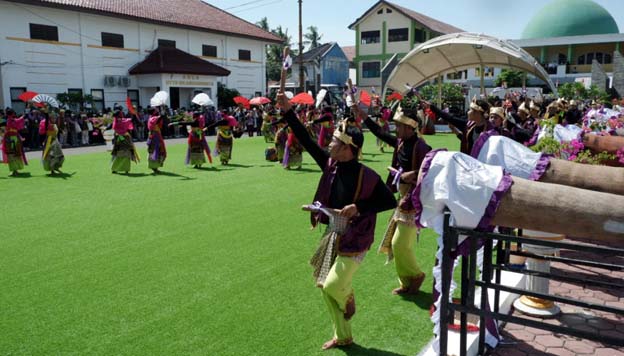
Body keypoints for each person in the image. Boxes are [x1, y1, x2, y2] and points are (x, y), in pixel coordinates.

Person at [277, 92, 396, 350]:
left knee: (333, 285)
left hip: (357, 238)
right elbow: (307, 141)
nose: (328, 143)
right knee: (325, 287)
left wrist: (359, 207)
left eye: (334, 141)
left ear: (347, 148)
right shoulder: (330, 164)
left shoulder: (369, 175)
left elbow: (390, 201)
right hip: (334, 232)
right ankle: (343, 336)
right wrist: (288, 112)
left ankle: (348, 295)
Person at [364, 100, 431, 295]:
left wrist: (413, 175)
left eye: (400, 125)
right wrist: (363, 117)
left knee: (399, 243)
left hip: (413, 200)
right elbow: (380, 133)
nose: (396, 128)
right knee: (397, 243)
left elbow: (429, 171)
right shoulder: (401, 142)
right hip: (402, 197)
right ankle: (406, 281)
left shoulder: (421, 147)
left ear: (410, 128)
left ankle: (415, 275)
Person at [2, 109, 28, 176]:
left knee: (12, 155)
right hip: (14, 139)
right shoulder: (12, 120)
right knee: (15, 154)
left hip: (10, 139)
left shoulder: (9, 120)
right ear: (12, 114)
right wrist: (24, 116)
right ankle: (15, 170)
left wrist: (23, 116)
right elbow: (18, 121)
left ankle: (14, 170)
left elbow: (17, 121)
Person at [146, 108, 166, 174]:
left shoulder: (151, 118)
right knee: (155, 150)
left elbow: (160, 118)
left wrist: (162, 113)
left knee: (156, 150)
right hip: (155, 137)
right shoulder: (153, 119)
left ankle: (155, 167)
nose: (157, 111)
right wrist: (162, 113)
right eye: (156, 111)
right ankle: (154, 167)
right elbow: (159, 118)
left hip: (154, 136)